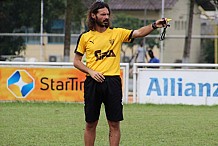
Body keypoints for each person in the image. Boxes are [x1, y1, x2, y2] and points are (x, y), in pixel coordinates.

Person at [73, 1, 167, 146]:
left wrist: (155, 25)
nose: (106, 17)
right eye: (103, 14)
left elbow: (138, 33)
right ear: (93, 15)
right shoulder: (85, 37)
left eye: (107, 14)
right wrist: (91, 72)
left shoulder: (117, 33)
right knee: (90, 124)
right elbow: (77, 61)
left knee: (114, 124)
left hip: (113, 82)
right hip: (92, 83)